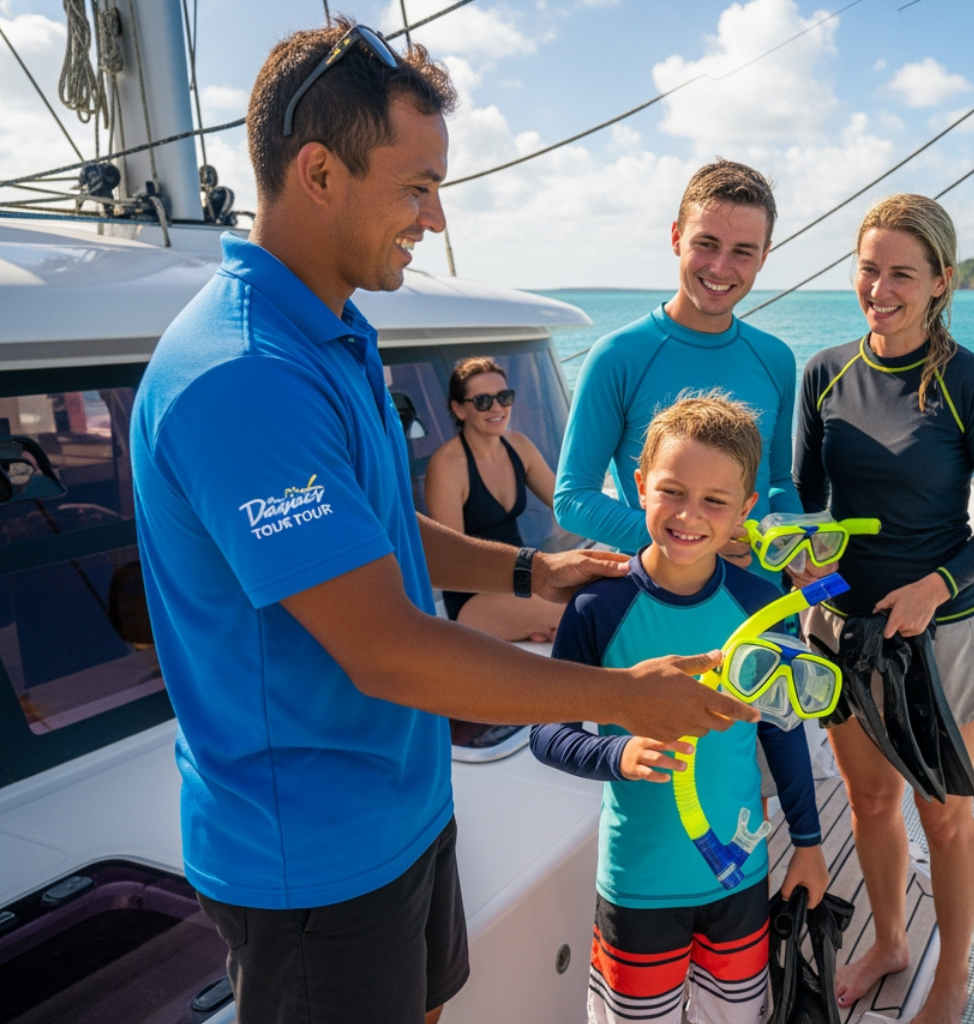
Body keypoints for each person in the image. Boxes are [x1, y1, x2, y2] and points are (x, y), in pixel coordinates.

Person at [129, 23, 755, 1024]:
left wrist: (526, 571)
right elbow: (381, 648)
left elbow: (371, 529)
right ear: (321, 171)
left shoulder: (334, 329)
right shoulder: (245, 375)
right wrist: (622, 698)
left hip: (402, 806)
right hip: (311, 861)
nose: (435, 213)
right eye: (416, 185)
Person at [795, 194, 974, 1024]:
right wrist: (802, 563)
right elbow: (809, 505)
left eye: (902, 272)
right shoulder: (823, 372)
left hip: (939, 634)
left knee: (948, 816)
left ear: (940, 282)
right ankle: (892, 940)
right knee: (868, 802)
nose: (880, 287)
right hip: (842, 630)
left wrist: (935, 586)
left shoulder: (971, 382)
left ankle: (953, 975)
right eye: (868, 268)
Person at [531, 394, 828, 1024]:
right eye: (672, 491)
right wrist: (618, 751)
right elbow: (546, 730)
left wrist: (807, 841)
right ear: (639, 487)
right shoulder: (597, 609)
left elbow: (783, 731)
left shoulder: (760, 605)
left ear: (747, 510)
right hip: (639, 883)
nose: (690, 515)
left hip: (738, 877)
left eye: (716, 501)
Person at [554, 160, 802, 577]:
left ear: (763, 256)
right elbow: (573, 499)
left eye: (743, 251)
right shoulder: (617, 356)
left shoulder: (776, 358)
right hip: (657, 604)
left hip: (760, 604)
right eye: (706, 244)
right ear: (676, 237)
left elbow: (777, 481)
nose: (721, 268)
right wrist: (698, 540)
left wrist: (793, 545)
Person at [426, 356, 561, 642]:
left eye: (504, 397)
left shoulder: (520, 447)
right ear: (459, 409)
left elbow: (566, 506)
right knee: (583, 609)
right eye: (483, 401)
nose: (497, 408)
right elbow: (449, 557)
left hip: (522, 582)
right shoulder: (448, 466)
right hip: (474, 598)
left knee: (603, 591)